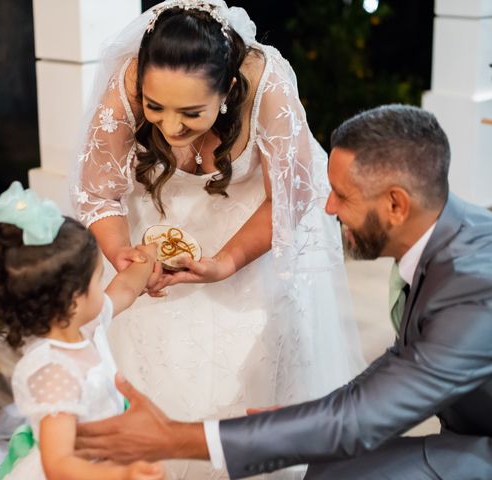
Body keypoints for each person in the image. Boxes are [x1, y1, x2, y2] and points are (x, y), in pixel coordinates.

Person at [75, 105, 492, 479]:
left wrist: (172, 439)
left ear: (396, 205)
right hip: (470, 430)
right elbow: (399, 372)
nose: (328, 208)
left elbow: (361, 418)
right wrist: (307, 419)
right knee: (324, 459)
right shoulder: (454, 235)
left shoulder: (474, 290)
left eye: (343, 196)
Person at [73, 2, 364, 477]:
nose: (170, 127)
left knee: (242, 366)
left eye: (191, 113)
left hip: (253, 232)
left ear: (228, 90)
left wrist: (225, 263)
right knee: (150, 355)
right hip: (157, 228)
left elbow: (288, 202)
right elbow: (98, 193)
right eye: (155, 108)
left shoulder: (267, 87)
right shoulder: (128, 80)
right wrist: (122, 254)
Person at [0, 182, 165, 480]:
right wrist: (121, 475)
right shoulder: (54, 371)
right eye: (98, 278)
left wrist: (148, 257)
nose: (103, 286)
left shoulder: (84, 325)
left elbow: (127, 288)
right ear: (73, 299)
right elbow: (59, 463)